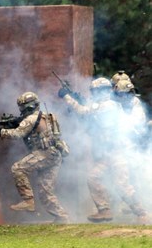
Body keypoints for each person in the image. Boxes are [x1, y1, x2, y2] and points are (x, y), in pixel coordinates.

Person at [58, 77, 148, 223]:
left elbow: (83, 111)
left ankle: (142, 213)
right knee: (93, 178)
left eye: (95, 91)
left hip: (117, 152)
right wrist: (75, 98)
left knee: (122, 186)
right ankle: (104, 210)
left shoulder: (109, 105)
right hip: (108, 154)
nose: (93, 94)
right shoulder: (103, 105)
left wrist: (67, 97)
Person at [0, 92, 70, 224]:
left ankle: (28, 201)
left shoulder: (31, 119)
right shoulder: (49, 116)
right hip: (56, 154)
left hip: (45, 153)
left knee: (17, 168)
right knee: (45, 192)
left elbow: (17, 134)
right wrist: (13, 123)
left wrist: (0, 131)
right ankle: (62, 218)